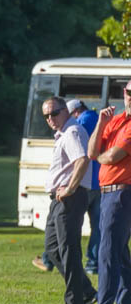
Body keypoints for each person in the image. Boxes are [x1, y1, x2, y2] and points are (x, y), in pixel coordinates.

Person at [74, 84, 131, 304]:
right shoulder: (116, 119)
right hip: (109, 192)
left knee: (107, 254)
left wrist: (100, 154)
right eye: (128, 92)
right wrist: (100, 122)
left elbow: (110, 157)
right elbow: (91, 151)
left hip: (122, 192)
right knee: (119, 255)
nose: (129, 96)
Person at [37, 97, 96, 304]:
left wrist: (71, 188)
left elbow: (82, 160)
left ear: (67, 111)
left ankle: (75, 303)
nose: (50, 119)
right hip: (59, 199)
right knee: (53, 249)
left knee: (68, 250)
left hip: (69, 198)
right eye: (46, 116)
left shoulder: (72, 132)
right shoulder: (63, 134)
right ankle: (87, 292)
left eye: (54, 113)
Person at [69, 99, 101, 274]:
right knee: (98, 226)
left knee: (69, 222)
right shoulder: (100, 119)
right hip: (101, 182)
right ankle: (93, 263)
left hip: (85, 182)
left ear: (75, 112)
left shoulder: (79, 123)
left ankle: (52, 258)